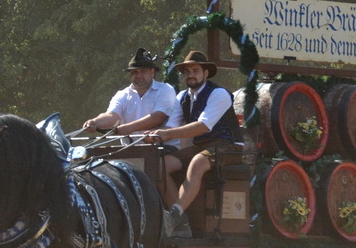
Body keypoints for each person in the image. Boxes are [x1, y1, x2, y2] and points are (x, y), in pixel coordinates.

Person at [145, 51, 242, 237]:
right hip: (201, 146)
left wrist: (165, 134)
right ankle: (180, 222)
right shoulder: (182, 97)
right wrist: (152, 135)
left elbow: (203, 126)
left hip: (228, 145)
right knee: (160, 165)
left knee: (198, 162)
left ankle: (173, 215)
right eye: (187, 71)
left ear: (205, 73)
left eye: (195, 70)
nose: (190, 75)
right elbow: (172, 126)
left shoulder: (219, 94)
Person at [78, 48, 179, 139]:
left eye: (143, 71)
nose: (138, 75)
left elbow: (158, 117)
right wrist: (95, 122)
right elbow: (112, 116)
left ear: (152, 72)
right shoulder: (122, 95)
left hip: (162, 149)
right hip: (129, 150)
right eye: (135, 72)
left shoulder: (165, 89)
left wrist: (128, 128)